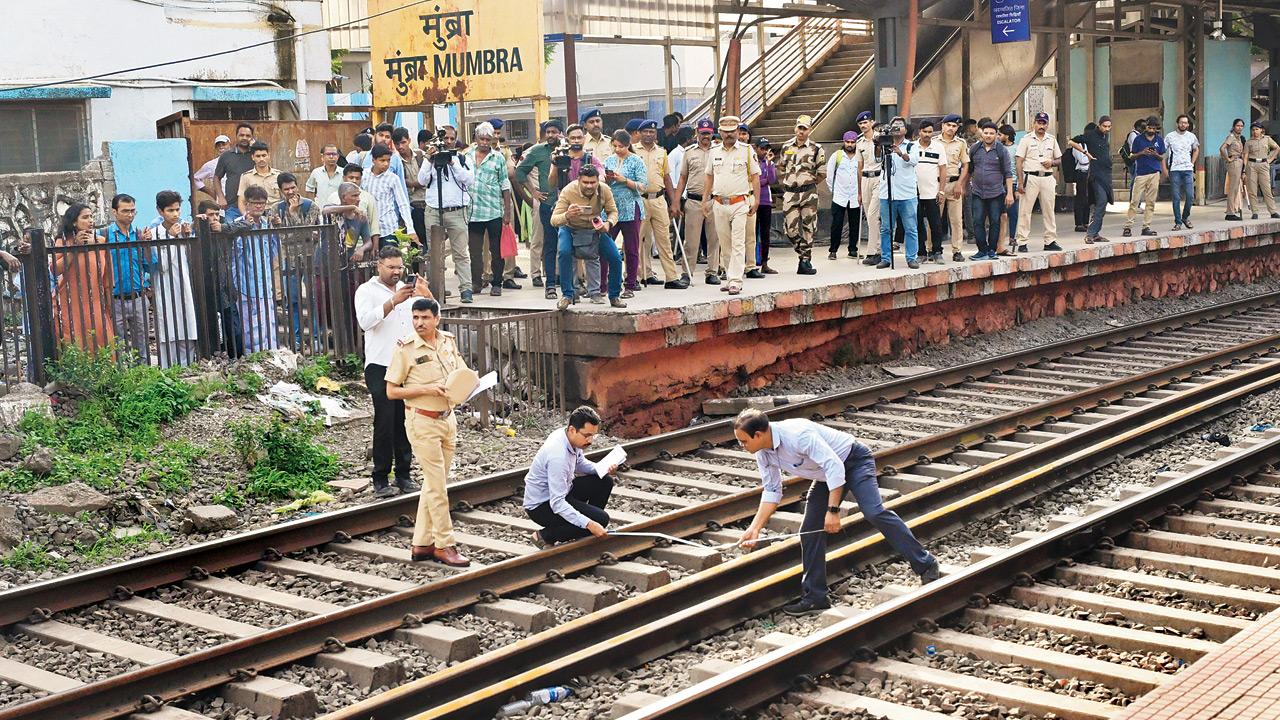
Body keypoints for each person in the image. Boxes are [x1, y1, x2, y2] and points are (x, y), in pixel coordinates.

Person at [733, 408, 940, 615]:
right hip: (826, 475)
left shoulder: (797, 435)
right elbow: (772, 491)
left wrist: (833, 511)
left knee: (873, 512)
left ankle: (926, 563)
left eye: (743, 441)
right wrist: (755, 529)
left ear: (758, 435)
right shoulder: (763, 453)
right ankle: (816, 597)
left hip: (854, 461)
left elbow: (836, 468)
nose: (742, 446)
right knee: (809, 531)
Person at [384, 297, 471, 567]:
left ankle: (421, 543)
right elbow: (391, 391)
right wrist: (426, 389)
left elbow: (462, 372)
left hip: (447, 418)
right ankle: (445, 545)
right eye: (415, 317)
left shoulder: (447, 341)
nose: (419, 323)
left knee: (434, 486)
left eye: (425, 318)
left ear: (437, 319)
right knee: (437, 488)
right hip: (422, 421)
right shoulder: (405, 348)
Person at [355, 246, 428, 498]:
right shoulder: (366, 291)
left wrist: (426, 293)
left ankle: (404, 474)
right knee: (385, 420)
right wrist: (392, 303)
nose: (397, 272)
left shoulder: (408, 291)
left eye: (400, 267)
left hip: (407, 365)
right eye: (392, 267)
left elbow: (430, 318)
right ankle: (380, 477)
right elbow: (365, 321)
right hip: (380, 365)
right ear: (379, 266)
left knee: (405, 421)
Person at [524, 406, 621, 546]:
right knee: (601, 520)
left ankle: (585, 527)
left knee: (604, 481)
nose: (591, 441)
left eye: (593, 435)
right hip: (542, 506)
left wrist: (602, 468)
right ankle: (546, 535)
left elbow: (580, 463)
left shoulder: (569, 437)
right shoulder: (558, 456)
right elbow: (557, 503)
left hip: (563, 492)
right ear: (572, 430)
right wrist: (589, 523)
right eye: (587, 435)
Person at [551, 165, 626, 309]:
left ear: (598, 181)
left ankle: (615, 296)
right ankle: (567, 295)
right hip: (570, 228)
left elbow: (613, 212)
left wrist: (608, 224)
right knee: (564, 252)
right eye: (585, 182)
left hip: (595, 228)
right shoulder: (568, 191)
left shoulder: (604, 190)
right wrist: (567, 215)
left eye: (593, 182)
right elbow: (553, 220)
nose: (589, 186)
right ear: (578, 180)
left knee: (616, 257)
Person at [703, 115, 761, 296]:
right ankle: (729, 278)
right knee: (725, 243)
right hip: (719, 203)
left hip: (739, 203)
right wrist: (705, 200)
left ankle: (736, 280)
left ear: (738, 131)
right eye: (725, 132)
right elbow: (709, 177)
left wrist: (756, 200)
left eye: (732, 132)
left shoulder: (746, 150)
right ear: (719, 132)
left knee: (738, 243)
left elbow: (755, 176)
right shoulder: (714, 152)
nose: (729, 135)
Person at [146, 191, 199, 368]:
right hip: (165, 287)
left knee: (188, 328)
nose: (175, 214)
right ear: (160, 211)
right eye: (170, 210)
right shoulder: (154, 234)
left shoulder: (184, 229)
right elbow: (162, 266)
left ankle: (187, 367)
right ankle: (169, 370)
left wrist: (187, 237)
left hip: (184, 286)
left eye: (177, 209)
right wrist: (171, 237)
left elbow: (193, 260)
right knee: (168, 331)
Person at [224, 185, 279, 353]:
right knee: (248, 325)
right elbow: (233, 255)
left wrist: (275, 228)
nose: (259, 207)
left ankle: (270, 356)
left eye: (262, 203)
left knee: (268, 323)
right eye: (255, 203)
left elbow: (274, 251)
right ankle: (252, 359)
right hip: (245, 283)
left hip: (265, 281)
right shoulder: (236, 225)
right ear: (246, 204)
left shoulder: (266, 224)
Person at [52, 204, 115, 351]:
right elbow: (55, 269)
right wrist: (75, 247)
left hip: (96, 301)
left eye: (91, 216)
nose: (90, 220)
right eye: (85, 217)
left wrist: (109, 302)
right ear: (74, 222)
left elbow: (107, 276)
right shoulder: (63, 242)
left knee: (103, 341)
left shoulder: (101, 241)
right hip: (71, 302)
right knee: (77, 343)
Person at [516, 120, 566, 298]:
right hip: (548, 203)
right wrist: (533, 192)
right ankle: (550, 284)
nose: (551, 135)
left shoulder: (569, 149)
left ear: (561, 133)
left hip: (570, 205)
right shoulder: (537, 151)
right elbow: (519, 172)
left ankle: (569, 283)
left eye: (554, 132)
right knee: (549, 244)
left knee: (567, 246)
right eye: (548, 132)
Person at [417, 140, 472, 301]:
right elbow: (422, 180)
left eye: (450, 139)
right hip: (434, 210)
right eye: (443, 140)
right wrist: (428, 159)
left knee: (461, 252)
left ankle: (466, 289)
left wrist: (452, 162)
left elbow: (468, 180)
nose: (447, 142)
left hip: (457, 210)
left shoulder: (462, 159)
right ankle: (437, 288)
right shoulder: (431, 160)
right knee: (434, 253)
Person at [465, 121, 515, 297]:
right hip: (473, 212)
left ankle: (497, 283)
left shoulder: (498, 158)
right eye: (482, 139)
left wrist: (507, 212)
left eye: (488, 139)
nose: (485, 142)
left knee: (497, 251)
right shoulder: (467, 156)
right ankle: (476, 283)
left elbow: (505, 184)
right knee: (475, 251)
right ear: (476, 138)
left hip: (494, 211)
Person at [635, 119, 686, 289]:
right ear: (639, 133)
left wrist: (674, 202)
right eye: (646, 131)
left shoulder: (662, 152)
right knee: (637, 239)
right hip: (639, 199)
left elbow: (667, 177)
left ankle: (671, 277)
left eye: (652, 132)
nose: (649, 134)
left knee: (664, 239)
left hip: (658, 199)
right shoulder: (632, 151)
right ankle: (636, 276)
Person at [774, 114, 826, 275]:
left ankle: (805, 261)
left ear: (810, 130)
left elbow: (822, 172)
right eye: (799, 128)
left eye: (804, 128)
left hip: (808, 192)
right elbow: (780, 168)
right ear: (795, 128)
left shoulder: (816, 149)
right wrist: (787, 183)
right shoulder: (786, 147)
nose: (801, 131)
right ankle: (804, 252)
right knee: (790, 229)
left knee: (809, 227)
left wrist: (808, 182)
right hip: (790, 193)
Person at [106, 193, 154, 364]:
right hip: (115, 298)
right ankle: (123, 378)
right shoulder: (104, 235)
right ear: (114, 212)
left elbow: (150, 266)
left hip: (138, 296)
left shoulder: (139, 235)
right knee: (118, 345)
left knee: (142, 343)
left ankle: (143, 375)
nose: (130, 215)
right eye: (125, 211)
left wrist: (147, 245)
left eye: (133, 211)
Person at [675, 119, 721, 285]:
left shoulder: (719, 151)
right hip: (694, 201)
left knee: (714, 239)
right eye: (703, 133)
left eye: (708, 133)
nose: (705, 136)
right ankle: (687, 273)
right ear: (697, 133)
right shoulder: (689, 152)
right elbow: (682, 178)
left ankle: (712, 272)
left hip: (714, 200)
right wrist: (675, 201)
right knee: (691, 241)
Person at [604, 129, 648, 298]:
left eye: (621, 146)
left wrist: (625, 181)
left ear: (628, 145)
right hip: (611, 207)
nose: (617, 149)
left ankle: (630, 284)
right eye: (614, 146)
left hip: (631, 206)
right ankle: (604, 284)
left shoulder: (636, 161)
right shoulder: (609, 160)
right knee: (606, 246)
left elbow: (643, 186)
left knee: (631, 248)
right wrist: (608, 178)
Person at [1013, 112, 1063, 252]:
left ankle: (1050, 241)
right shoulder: (1026, 139)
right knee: (1025, 211)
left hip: (1047, 177)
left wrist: (1052, 162)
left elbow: (1059, 159)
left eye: (1044, 123)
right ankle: (1022, 242)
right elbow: (1019, 161)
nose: (1041, 126)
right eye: (1039, 123)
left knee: (1049, 211)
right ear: (1034, 123)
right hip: (1031, 177)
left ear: (1047, 124)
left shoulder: (1051, 139)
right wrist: (1020, 183)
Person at [968, 120, 1014, 261]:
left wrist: (1010, 193)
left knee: (995, 221)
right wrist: (963, 187)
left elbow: (1008, 173)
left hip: (996, 192)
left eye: (991, 133)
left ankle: (992, 250)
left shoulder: (1001, 150)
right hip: (977, 192)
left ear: (996, 135)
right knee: (977, 221)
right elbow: (969, 170)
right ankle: (982, 250)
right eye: (986, 133)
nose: (988, 136)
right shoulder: (975, 149)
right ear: (982, 133)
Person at [322, 164, 381, 259]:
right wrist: (351, 207)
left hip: (347, 260)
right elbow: (325, 211)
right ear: (344, 198)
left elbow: (368, 241)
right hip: (326, 261)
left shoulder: (361, 216)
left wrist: (361, 249)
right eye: (354, 196)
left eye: (358, 195)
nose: (358, 199)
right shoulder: (333, 206)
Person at [934, 114, 972, 262]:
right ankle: (933, 249)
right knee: (935, 219)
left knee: (956, 220)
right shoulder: (934, 142)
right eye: (948, 125)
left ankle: (957, 250)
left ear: (957, 128)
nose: (950, 128)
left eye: (954, 126)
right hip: (937, 185)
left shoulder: (961, 143)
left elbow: (965, 165)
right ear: (942, 125)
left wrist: (960, 184)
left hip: (954, 183)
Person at [1071, 116, 1114, 243]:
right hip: (1096, 175)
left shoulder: (1105, 136)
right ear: (1099, 125)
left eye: (1109, 126)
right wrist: (1086, 153)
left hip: (1106, 173)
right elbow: (1071, 142)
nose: (1106, 129)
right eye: (1104, 126)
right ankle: (1090, 233)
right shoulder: (1090, 135)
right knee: (1101, 201)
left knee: (1103, 203)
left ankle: (1095, 233)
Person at [1123, 115, 1167, 238]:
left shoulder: (1159, 140)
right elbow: (1131, 156)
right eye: (1149, 127)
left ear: (1156, 129)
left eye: (1153, 128)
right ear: (1145, 126)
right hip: (1141, 173)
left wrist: (1154, 154)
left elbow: (1161, 157)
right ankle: (1128, 227)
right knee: (1134, 201)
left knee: (1150, 202)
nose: (1151, 130)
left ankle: (1146, 226)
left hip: (1154, 173)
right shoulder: (1138, 139)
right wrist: (1142, 153)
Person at [825, 130, 862, 261]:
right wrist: (834, 192)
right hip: (839, 196)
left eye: (852, 142)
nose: (850, 144)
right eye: (848, 142)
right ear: (843, 142)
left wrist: (861, 193)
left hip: (855, 196)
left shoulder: (860, 156)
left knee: (855, 224)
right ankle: (833, 250)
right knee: (836, 224)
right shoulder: (837, 155)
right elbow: (829, 175)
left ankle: (853, 249)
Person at [914, 120, 947, 263]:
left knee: (936, 224)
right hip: (915, 193)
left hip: (933, 192)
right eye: (925, 132)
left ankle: (937, 251)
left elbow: (943, 169)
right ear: (919, 132)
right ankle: (921, 253)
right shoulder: (912, 147)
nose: (927, 134)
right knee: (918, 224)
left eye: (930, 132)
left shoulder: (938, 147)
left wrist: (941, 191)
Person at [853, 112, 883, 265]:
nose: (863, 126)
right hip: (865, 178)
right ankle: (876, 249)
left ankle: (874, 251)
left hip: (879, 178)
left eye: (865, 122)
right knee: (869, 215)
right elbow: (859, 167)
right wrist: (859, 191)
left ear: (872, 122)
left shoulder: (881, 139)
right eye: (860, 124)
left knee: (872, 215)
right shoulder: (860, 143)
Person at [213, 123, 256, 219]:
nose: (244, 138)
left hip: (254, 207)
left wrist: (255, 147)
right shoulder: (226, 156)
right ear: (236, 136)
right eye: (241, 135)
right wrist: (221, 197)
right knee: (231, 233)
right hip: (232, 206)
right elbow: (216, 178)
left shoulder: (256, 155)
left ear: (252, 137)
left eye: (248, 136)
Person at [1165, 114, 1200, 230]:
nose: (1183, 124)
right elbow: (1162, 152)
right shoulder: (1170, 136)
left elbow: (1196, 149)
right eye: (1181, 122)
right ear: (1177, 123)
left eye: (1185, 123)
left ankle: (1185, 217)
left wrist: (1192, 162)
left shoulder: (1191, 136)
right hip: (1174, 169)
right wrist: (1164, 169)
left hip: (1187, 169)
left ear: (1188, 124)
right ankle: (1178, 222)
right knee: (1176, 197)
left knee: (1190, 196)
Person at [236, 141, 282, 217]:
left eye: (264, 155)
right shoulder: (246, 177)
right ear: (252, 157)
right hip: (256, 215)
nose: (261, 159)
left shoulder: (279, 175)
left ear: (269, 156)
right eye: (258, 156)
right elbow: (241, 201)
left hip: (277, 215)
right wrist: (246, 216)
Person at [1245, 121, 1280, 219]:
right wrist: (1244, 169)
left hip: (1264, 164)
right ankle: (1254, 212)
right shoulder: (1249, 142)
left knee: (1267, 189)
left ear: (1261, 130)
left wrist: (1270, 159)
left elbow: (1277, 148)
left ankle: (1273, 211)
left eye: (1257, 129)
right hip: (1251, 165)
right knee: (1252, 189)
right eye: (1253, 130)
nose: (1255, 131)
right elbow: (1245, 156)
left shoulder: (1267, 139)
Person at [995, 124, 1020, 256]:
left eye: (1000, 134)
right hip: (999, 183)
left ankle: (1012, 237)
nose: (998, 137)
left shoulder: (1016, 149)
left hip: (1013, 182)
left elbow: (1018, 167)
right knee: (1000, 213)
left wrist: (1018, 187)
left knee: (1013, 212)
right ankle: (1000, 239)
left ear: (1007, 135)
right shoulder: (998, 148)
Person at [755, 138, 779, 274]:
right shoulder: (752, 161)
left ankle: (764, 263)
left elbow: (771, 179)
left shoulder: (768, 163)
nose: (764, 152)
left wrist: (769, 163)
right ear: (756, 148)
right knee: (751, 233)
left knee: (765, 233)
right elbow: (753, 181)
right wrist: (761, 181)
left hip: (765, 201)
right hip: (753, 200)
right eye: (762, 148)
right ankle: (751, 263)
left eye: (766, 149)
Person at [1068, 123, 1095, 233]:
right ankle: (1078, 223)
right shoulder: (1078, 144)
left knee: (1088, 199)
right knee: (1080, 198)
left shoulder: (1091, 144)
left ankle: (1085, 222)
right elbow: (1082, 160)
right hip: (1081, 173)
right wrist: (1089, 156)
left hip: (1090, 173)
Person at [1220, 118, 1246, 222]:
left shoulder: (1239, 138)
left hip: (1239, 162)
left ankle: (1232, 211)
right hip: (1234, 162)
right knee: (1233, 188)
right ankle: (1230, 213)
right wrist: (1228, 159)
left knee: (1236, 189)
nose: (1239, 127)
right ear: (1234, 126)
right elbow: (1222, 148)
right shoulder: (1231, 137)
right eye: (1237, 126)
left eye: (1241, 126)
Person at [193, 134, 229, 207]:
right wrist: (210, 192)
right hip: (221, 204)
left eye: (224, 144)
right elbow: (195, 179)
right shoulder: (211, 165)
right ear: (216, 148)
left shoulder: (236, 162)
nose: (221, 147)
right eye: (218, 145)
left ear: (229, 145)